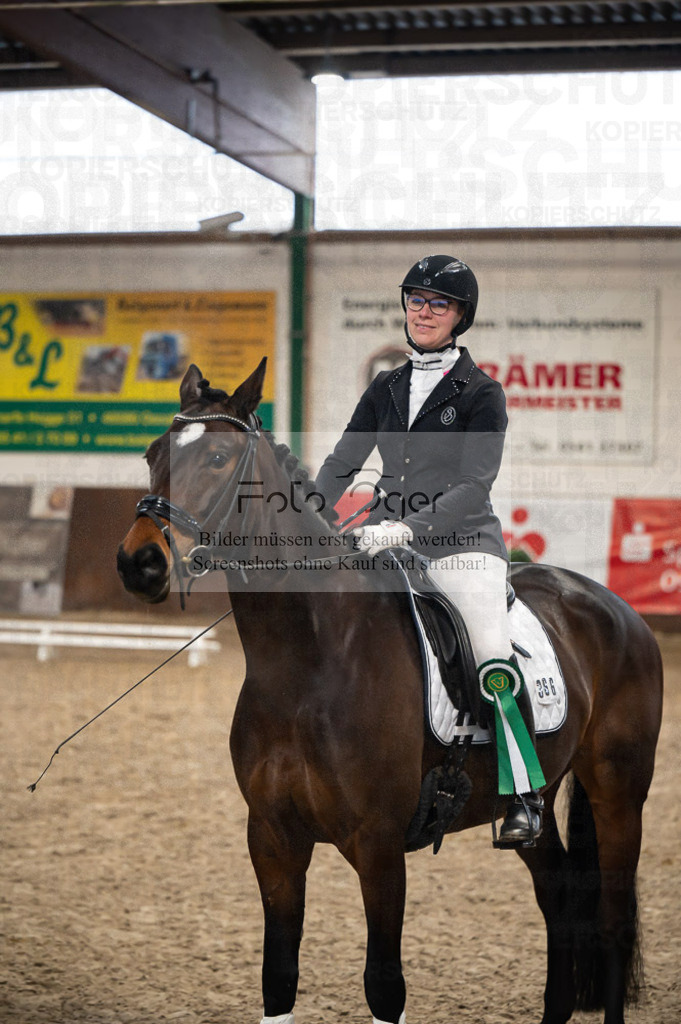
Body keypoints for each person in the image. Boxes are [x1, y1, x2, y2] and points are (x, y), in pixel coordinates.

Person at [316, 254, 545, 846]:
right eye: (415, 300)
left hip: (463, 545)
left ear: (460, 315)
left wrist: (408, 528)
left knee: (491, 655)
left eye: (437, 303)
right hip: (382, 538)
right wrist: (305, 518)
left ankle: (525, 792)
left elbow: (476, 485)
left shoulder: (482, 393)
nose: (423, 311)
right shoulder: (387, 386)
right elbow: (344, 461)